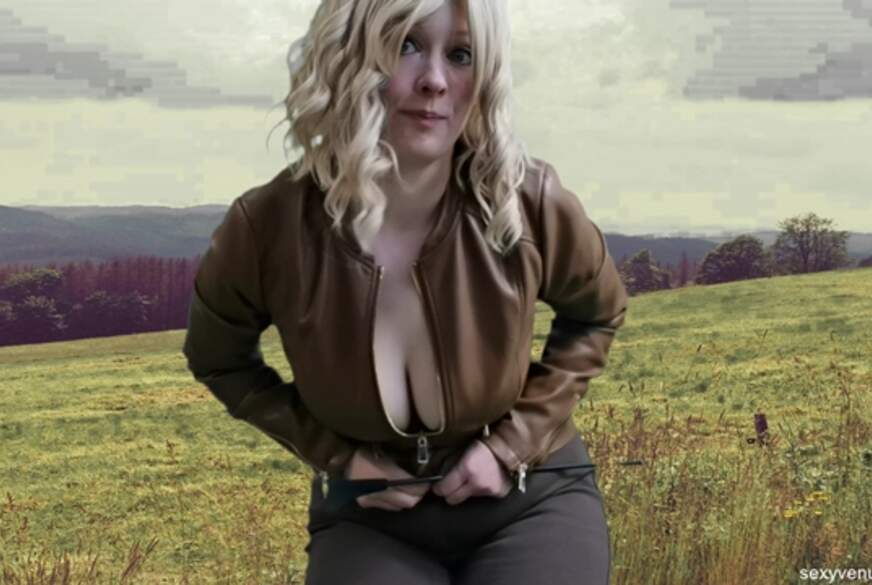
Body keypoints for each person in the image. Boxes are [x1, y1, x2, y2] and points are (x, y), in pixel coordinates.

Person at [181, 0, 629, 583]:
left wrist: (511, 447)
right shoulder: (267, 226)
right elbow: (218, 358)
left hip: (530, 497)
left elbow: (597, 314)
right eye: (407, 45)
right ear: (348, 56)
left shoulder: (530, 199)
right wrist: (338, 457)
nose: (435, 80)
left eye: (461, 54)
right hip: (368, 520)